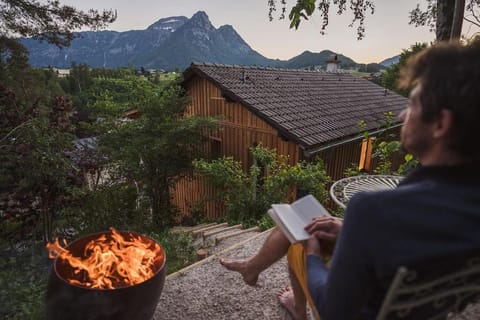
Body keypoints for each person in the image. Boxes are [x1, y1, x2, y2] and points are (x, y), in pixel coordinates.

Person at [220, 38, 480, 320]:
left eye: (413, 104)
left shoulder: (371, 210)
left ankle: (297, 307)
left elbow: (335, 311)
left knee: (301, 237)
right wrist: (348, 229)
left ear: (441, 124)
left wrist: (313, 257)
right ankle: (257, 271)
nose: (403, 114)